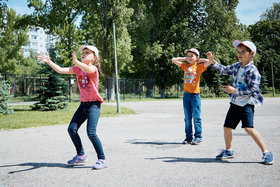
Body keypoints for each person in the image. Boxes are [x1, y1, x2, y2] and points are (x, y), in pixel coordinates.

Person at [37, 45, 108, 169]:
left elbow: (87, 68)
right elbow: (60, 70)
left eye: (87, 53)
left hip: (94, 106)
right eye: (83, 52)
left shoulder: (92, 69)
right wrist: (49, 62)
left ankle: (102, 159)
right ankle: (81, 156)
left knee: (91, 132)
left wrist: (77, 62)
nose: (84, 54)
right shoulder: (77, 69)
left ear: (94, 58)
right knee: (71, 129)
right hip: (83, 105)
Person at [206, 40, 274, 165]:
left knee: (249, 129)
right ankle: (229, 150)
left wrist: (235, 90)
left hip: (247, 104)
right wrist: (212, 62)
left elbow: (253, 89)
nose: (240, 54)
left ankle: (267, 152)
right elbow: (224, 70)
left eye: (243, 51)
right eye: (238, 51)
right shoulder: (237, 66)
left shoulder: (253, 71)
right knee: (227, 127)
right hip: (235, 103)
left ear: (251, 53)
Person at [172, 48, 212, 145]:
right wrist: (186, 58)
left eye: (191, 56)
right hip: (186, 95)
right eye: (188, 55)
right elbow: (173, 60)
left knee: (197, 117)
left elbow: (209, 61)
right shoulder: (185, 66)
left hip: (195, 96)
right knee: (187, 118)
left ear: (197, 57)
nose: (189, 57)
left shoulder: (199, 67)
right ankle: (188, 137)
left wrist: (198, 60)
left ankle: (198, 137)